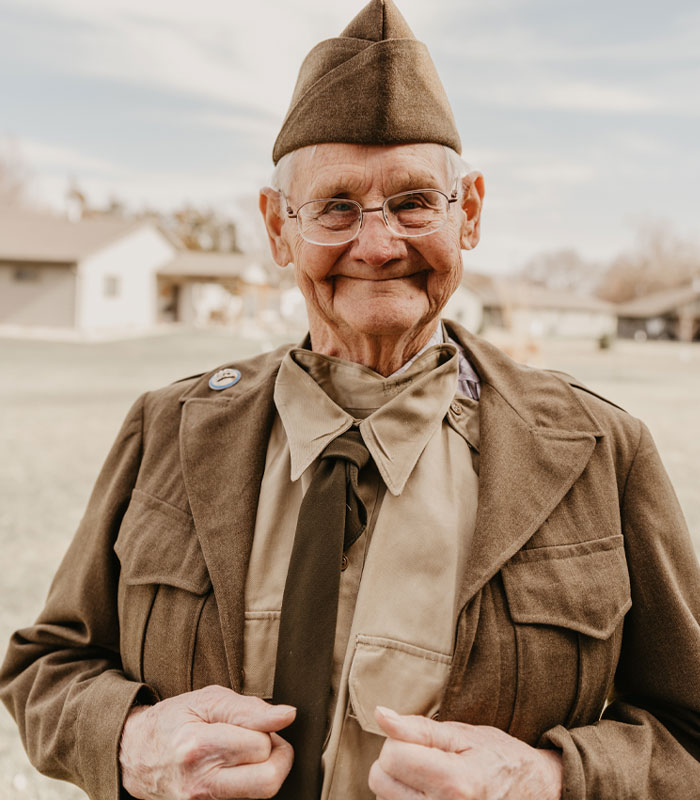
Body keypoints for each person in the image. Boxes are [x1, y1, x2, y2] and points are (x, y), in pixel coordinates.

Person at [2, 1, 699, 798]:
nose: (378, 244)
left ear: (468, 213)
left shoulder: (599, 451)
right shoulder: (168, 428)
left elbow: (689, 732)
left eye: (414, 201)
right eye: (336, 207)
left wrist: (546, 781)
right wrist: (132, 741)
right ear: (278, 228)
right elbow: (46, 670)